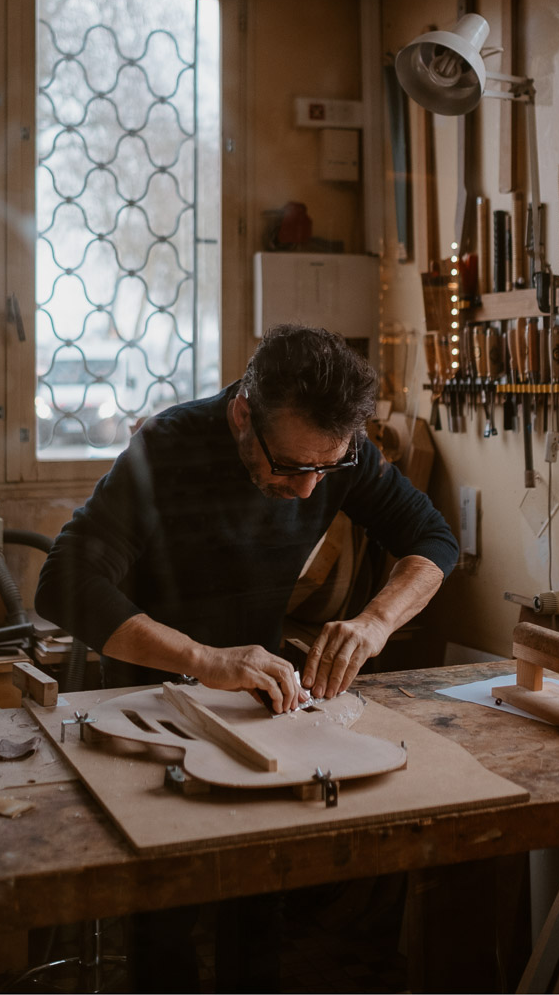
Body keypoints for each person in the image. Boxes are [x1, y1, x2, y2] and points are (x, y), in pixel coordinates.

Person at [34, 322, 458, 991]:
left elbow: (433, 540)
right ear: (242, 414)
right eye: (290, 467)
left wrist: (375, 621)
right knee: (165, 925)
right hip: (151, 716)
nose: (309, 490)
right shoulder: (166, 448)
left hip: (266, 712)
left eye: (327, 467)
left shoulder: (336, 455)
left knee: (259, 909)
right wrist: (204, 658)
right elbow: (65, 583)